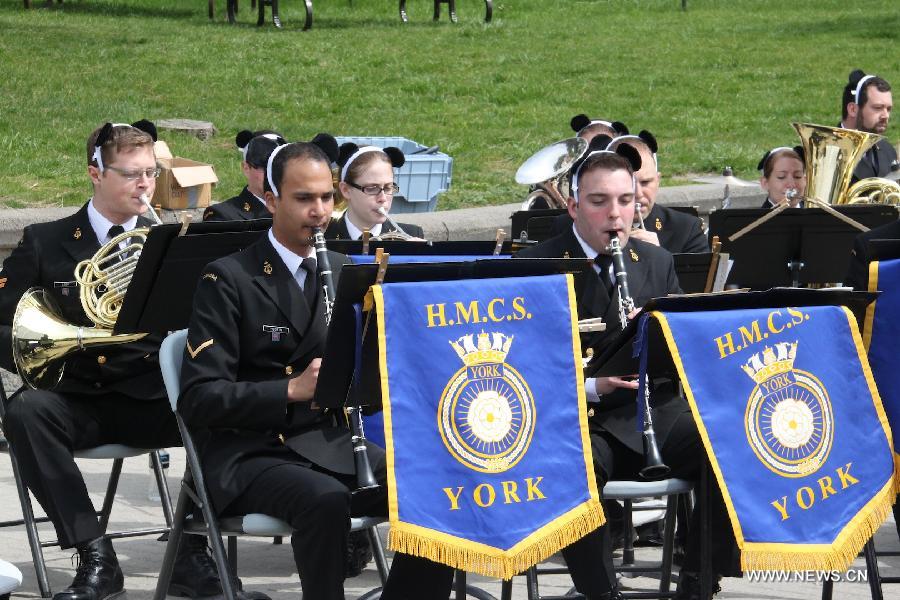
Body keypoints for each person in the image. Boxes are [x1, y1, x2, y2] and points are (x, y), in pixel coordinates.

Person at [179, 139, 452, 600]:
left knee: (440, 483)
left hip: (330, 441)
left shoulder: (347, 268)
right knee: (325, 502)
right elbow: (200, 397)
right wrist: (291, 390)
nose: (320, 211)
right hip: (251, 451)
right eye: (304, 198)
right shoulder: (228, 278)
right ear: (271, 199)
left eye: (327, 197)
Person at [0, 121, 261, 600]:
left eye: (149, 174)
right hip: (78, 395)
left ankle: (192, 550)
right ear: (95, 174)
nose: (144, 185)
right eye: (131, 174)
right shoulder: (47, 240)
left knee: (228, 404)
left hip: (151, 394)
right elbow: (3, 325)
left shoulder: (173, 243)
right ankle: (95, 553)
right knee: (24, 413)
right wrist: (44, 354)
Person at [518, 146, 740, 599]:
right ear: (574, 205)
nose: (615, 214)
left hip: (652, 411)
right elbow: (518, 370)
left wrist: (660, 334)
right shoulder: (537, 265)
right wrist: (592, 386)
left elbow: (686, 357)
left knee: (730, 444)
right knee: (575, 472)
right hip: (580, 418)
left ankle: (700, 578)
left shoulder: (655, 262)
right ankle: (600, 591)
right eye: (599, 202)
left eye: (624, 200)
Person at [607, 131, 709, 253]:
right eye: (628, 184)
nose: (638, 194)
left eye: (646, 182)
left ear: (658, 180)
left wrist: (659, 258)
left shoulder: (687, 229)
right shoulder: (590, 229)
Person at [324, 143, 424, 240]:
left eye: (388, 188)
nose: (383, 199)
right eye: (372, 188)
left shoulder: (412, 235)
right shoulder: (323, 237)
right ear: (346, 190)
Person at [204, 130, 285, 222]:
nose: (273, 174)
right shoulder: (224, 216)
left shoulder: (299, 209)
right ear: (246, 168)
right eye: (265, 167)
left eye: (279, 167)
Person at [840, 70, 896, 181]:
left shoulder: (888, 150)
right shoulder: (828, 152)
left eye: (888, 109)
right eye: (878, 108)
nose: (885, 116)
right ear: (853, 109)